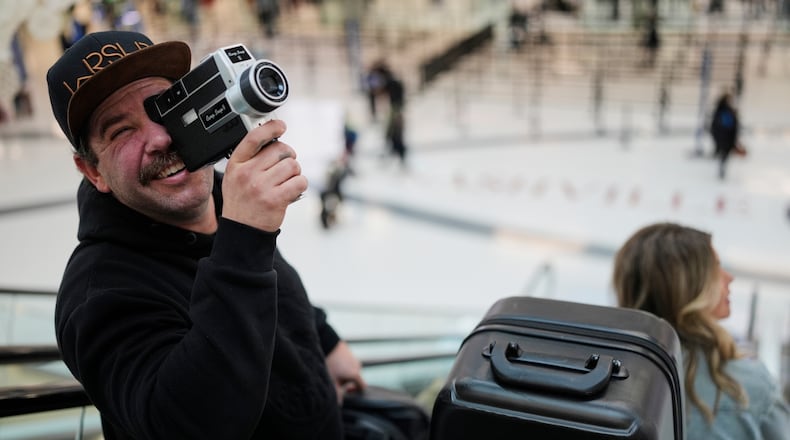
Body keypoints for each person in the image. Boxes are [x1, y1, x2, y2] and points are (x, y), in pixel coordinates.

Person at [46, 30, 366, 439]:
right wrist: (246, 236)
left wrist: (326, 340)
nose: (159, 137)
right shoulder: (99, 296)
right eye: (120, 131)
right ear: (92, 171)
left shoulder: (222, 193)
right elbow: (191, 425)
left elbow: (275, 281)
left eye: (164, 108)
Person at [612, 222, 789, 439]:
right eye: (716, 267)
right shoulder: (746, 385)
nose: (729, 277)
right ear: (690, 285)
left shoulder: (606, 378)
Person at [709, 90, 742, 180]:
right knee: (725, 153)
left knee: (722, 151)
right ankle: (721, 164)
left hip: (721, 136)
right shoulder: (729, 112)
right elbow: (734, 127)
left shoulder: (719, 110)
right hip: (727, 137)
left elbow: (714, 125)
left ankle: (718, 156)